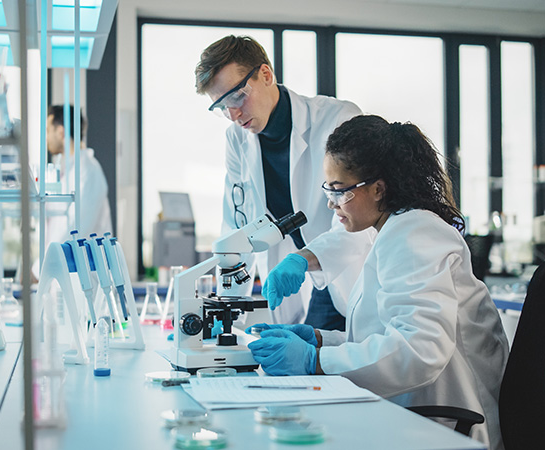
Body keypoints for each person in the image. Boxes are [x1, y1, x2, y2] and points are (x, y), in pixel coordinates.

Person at [248, 115, 509, 450]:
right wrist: (321, 341)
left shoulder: (414, 235)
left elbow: (419, 350)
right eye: (328, 189)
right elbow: (387, 337)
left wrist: (314, 361)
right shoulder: (393, 232)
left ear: (378, 189)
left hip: (448, 421)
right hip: (417, 409)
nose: (331, 202)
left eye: (339, 190)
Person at [195, 36, 372, 329]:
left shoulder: (337, 120)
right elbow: (237, 226)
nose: (233, 115)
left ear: (266, 74)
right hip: (290, 280)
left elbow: (358, 217)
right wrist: (227, 307)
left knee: (324, 360)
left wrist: (306, 258)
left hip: (344, 267)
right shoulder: (237, 140)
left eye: (237, 97)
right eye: (221, 107)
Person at [43, 104, 112, 247]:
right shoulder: (67, 170)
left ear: (61, 132)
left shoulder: (88, 171)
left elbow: (76, 227)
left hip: (82, 265)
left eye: (48, 131)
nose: (46, 137)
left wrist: (40, 266)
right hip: (61, 262)